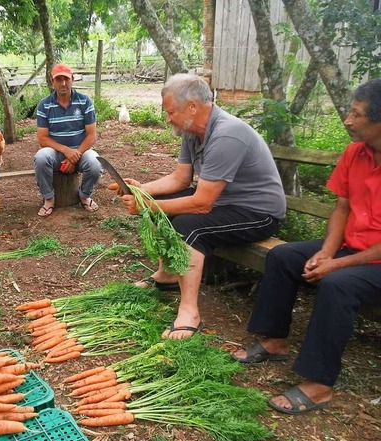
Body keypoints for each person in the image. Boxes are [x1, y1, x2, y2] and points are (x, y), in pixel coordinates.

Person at [232, 78, 381, 415]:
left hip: (374, 262)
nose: (348, 120)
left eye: (357, 115)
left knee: (337, 285)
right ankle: (273, 341)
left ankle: (318, 385)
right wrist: (328, 251)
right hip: (354, 248)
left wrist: (337, 265)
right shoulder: (355, 153)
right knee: (284, 256)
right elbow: (342, 208)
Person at [116, 73, 285, 340]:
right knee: (167, 209)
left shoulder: (228, 134)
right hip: (225, 202)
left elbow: (202, 203)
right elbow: (180, 179)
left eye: (171, 112)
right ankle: (168, 274)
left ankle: (189, 313)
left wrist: (150, 205)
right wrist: (142, 189)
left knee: (188, 225)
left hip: (257, 213)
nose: (168, 118)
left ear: (192, 106)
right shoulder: (193, 131)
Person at [34, 63, 102, 217]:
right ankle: (49, 198)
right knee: (41, 157)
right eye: (59, 79)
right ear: (53, 82)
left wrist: (74, 155)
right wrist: (66, 151)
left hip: (80, 151)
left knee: (96, 162)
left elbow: (92, 135)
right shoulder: (44, 105)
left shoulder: (85, 102)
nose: (63, 83)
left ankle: (84, 195)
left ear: (73, 79)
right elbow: (42, 139)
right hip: (57, 153)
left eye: (66, 79)